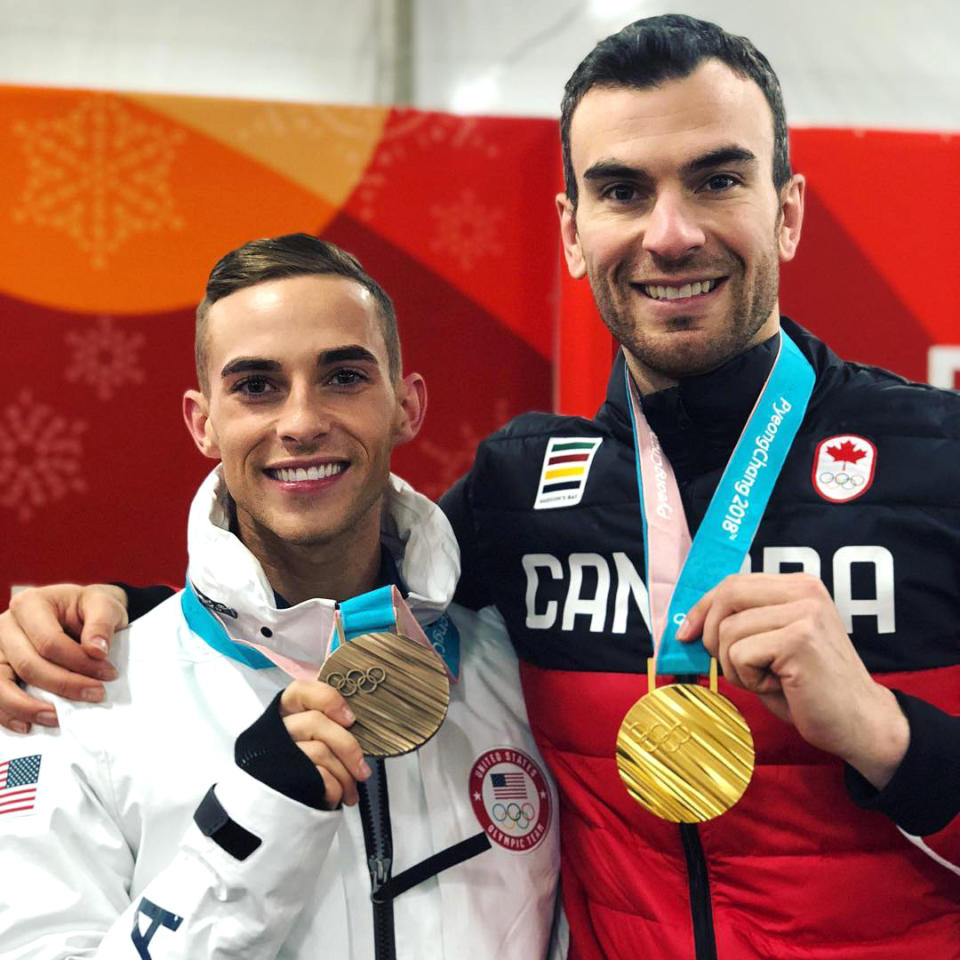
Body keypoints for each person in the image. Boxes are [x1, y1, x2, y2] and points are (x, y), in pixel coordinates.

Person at [2, 14, 958, 960]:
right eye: (623, 191)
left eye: (717, 179)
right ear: (574, 233)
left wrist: (890, 738)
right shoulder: (524, 491)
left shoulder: (940, 461)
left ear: (787, 211)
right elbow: (328, 592)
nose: (670, 234)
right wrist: (128, 616)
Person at [0, 234, 561, 959]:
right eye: (257, 386)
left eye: (344, 377)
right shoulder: (76, 693)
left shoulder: (518, 672)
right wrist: (254, 820)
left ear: (406, 404)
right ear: (204, 423)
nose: (300, 422)